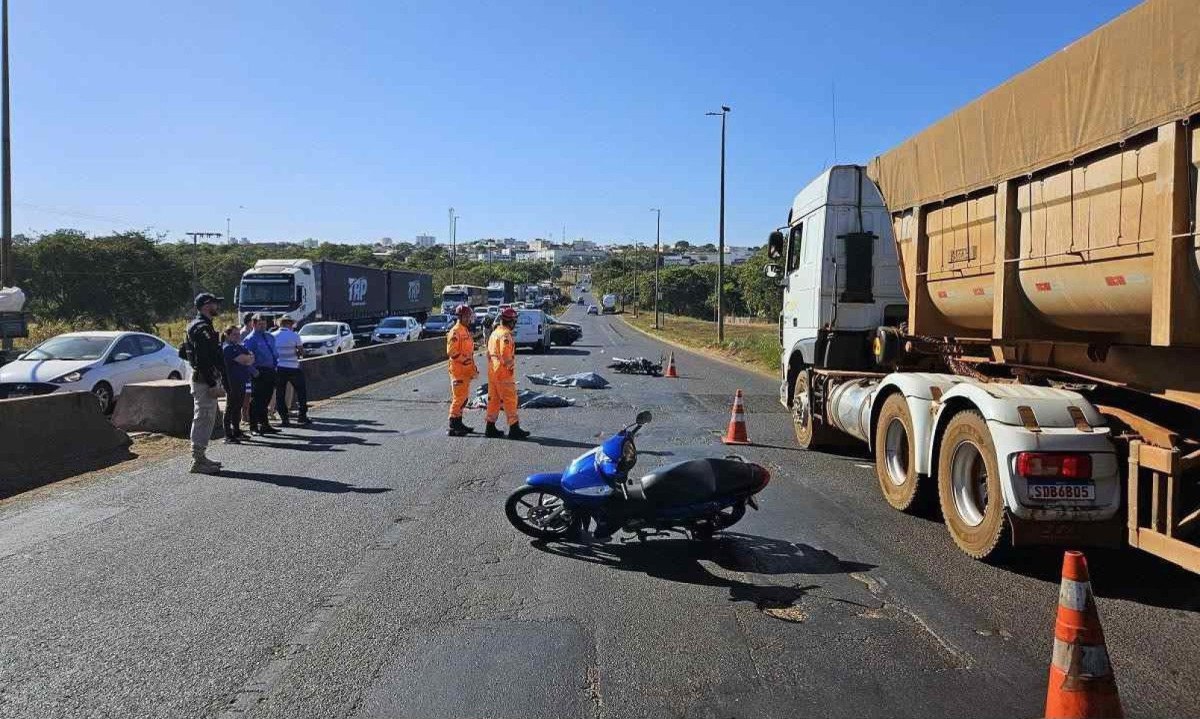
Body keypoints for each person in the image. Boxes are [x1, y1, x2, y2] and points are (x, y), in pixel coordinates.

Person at [184, 293, 226, 473]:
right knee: (203, 417)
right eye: (215, 304)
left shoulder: (199, 325)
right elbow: (203, 359)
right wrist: (211, 383)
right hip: (203, 379)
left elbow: (183, 352)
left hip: (204, 377)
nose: (217, 307)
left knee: (207, 418)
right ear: (206, 305)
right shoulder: (201, 328)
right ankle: (198, 460)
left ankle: (201, 457)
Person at [485, 306, 529, 440]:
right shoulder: (505, 335)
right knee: (510, 399)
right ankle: (514, 429)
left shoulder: (494, 333)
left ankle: (490, 427)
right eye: (514, 321)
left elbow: (488, 352)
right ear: (511, 321)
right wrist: (510, 368)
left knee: (494, 400)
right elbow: (505, 354)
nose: (515, 324)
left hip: (493, 371)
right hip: (503, 372)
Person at [243, 313, 280, 435]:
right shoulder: (250, 339)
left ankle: (265, 424)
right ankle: (253, 427)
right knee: (257, 400)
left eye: (264, 323)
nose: (263, 326)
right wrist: (255, 373)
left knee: (266, 399)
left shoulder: (270, 337)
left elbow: (274, 352)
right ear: (253, 324)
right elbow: (247, 359)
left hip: (270, 370)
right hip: (259, 371)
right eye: (260, 324)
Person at [446, 304, 479, 436]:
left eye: (470, 316)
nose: (470, 318)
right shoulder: (455, 331)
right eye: (467, 316)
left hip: (465, 370)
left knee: (464, 398)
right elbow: (451, 351)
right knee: (459, 398)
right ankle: (453, 424)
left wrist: (472, 367)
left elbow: (468, 351)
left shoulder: (465, 330)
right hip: (458, 370)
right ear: (461, 317)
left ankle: (458, 422)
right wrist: (463, 360)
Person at [271, 317, 310, 426]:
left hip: (279, 368)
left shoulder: (273, 336)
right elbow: (302, 352)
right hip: (293, 367)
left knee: (280, 393)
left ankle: (284, 418)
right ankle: (302, 416)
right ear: (290, 324)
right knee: (301, 391)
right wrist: (296, 352)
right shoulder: (295, 335)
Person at [220, 325, 255, 443]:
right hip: (231, 381)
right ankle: (228, 435)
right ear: (227, 335)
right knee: (230, 407)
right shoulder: (227, 348)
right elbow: (245, 360)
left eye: (238, 334)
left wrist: (247, 359)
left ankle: (237, 431)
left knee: (238, 406)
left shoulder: (239, 347)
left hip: (241, 380)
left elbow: (251, 358)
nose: (238, 336)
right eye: (234, 334)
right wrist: (247, 359)